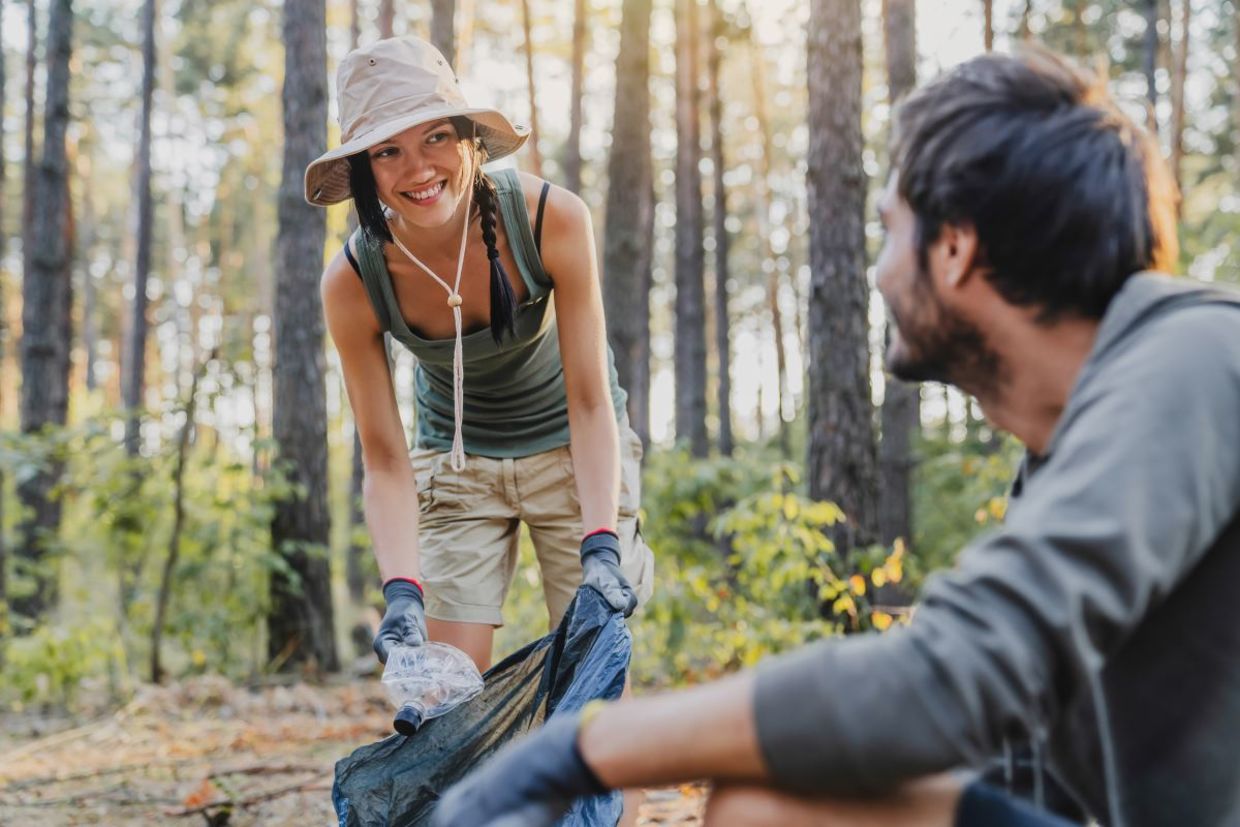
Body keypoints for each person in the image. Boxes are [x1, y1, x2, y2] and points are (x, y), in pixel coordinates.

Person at [430, 47, 1240, 827]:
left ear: (955, 247)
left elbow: (953, 678)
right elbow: (1025, 771)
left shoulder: (1194, 360)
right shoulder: (1068, 447)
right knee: (773, 804)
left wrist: (582, 746)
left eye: (891, 230)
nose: (880, 271)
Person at [307, 36, 654, 703]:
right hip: (458, 464)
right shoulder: (352, 280)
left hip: (573, 449)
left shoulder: (551, 218)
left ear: (469, 137)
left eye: (434, 136)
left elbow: (590, 403)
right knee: (443, 699)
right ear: (363, 170)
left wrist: (602, 543)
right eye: (387, 150)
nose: (417, 167)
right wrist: (401, 592)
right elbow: (384, 459)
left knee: (594, 696)